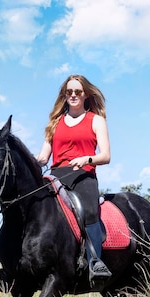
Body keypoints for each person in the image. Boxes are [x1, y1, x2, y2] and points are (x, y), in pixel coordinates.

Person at [35, 74, 112, 280]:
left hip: (83, 176)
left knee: (88, 209)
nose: (73, 95)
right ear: (65, 94)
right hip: (56, 176)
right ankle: (3, 260)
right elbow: (44, 156)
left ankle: (95, 261)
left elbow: (105, 156)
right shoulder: (55, 122)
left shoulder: (96, 120)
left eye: (77, 91)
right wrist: (34, 160)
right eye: (69, 92)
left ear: (86, 94)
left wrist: (87, 159)